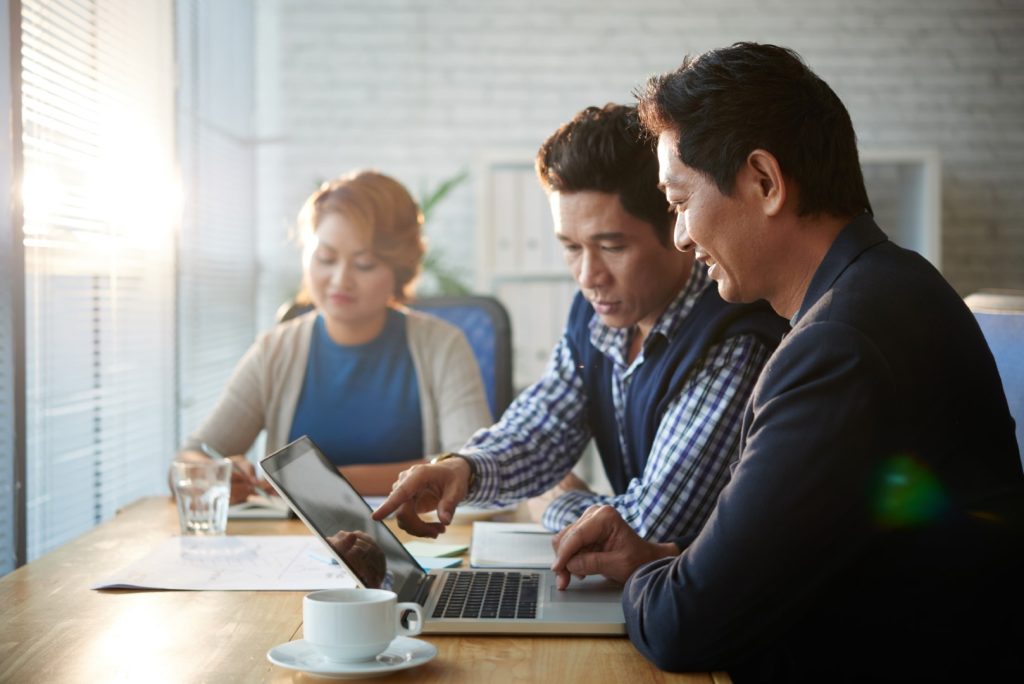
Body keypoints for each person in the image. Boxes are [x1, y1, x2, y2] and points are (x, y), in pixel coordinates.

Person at [549, 43, 1024, 681]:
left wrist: (651, 584)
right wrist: (657, 565)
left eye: (681, 201)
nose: (682, 235)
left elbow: (686, 626)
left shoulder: (838, 346)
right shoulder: (889, 286)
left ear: (765, 183)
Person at [374, 104, 787, 545]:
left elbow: (651, 525)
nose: (588, 276)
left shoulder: (733, 340)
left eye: (611, 247)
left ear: (676, 222)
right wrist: (462, 468)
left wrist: (557, 502)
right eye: (571, 247)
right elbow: (543, 428)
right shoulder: (597, 317)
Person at [179, 170, 492, 501]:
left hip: (417, 540)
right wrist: (217, 475)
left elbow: (471, 465)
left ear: (399, 270)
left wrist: (321, 481)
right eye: (325, 258)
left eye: (365, 264)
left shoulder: (443, 347)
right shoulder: (275, 350)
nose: (340, 280)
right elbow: (191, 457)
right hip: (291, 543)